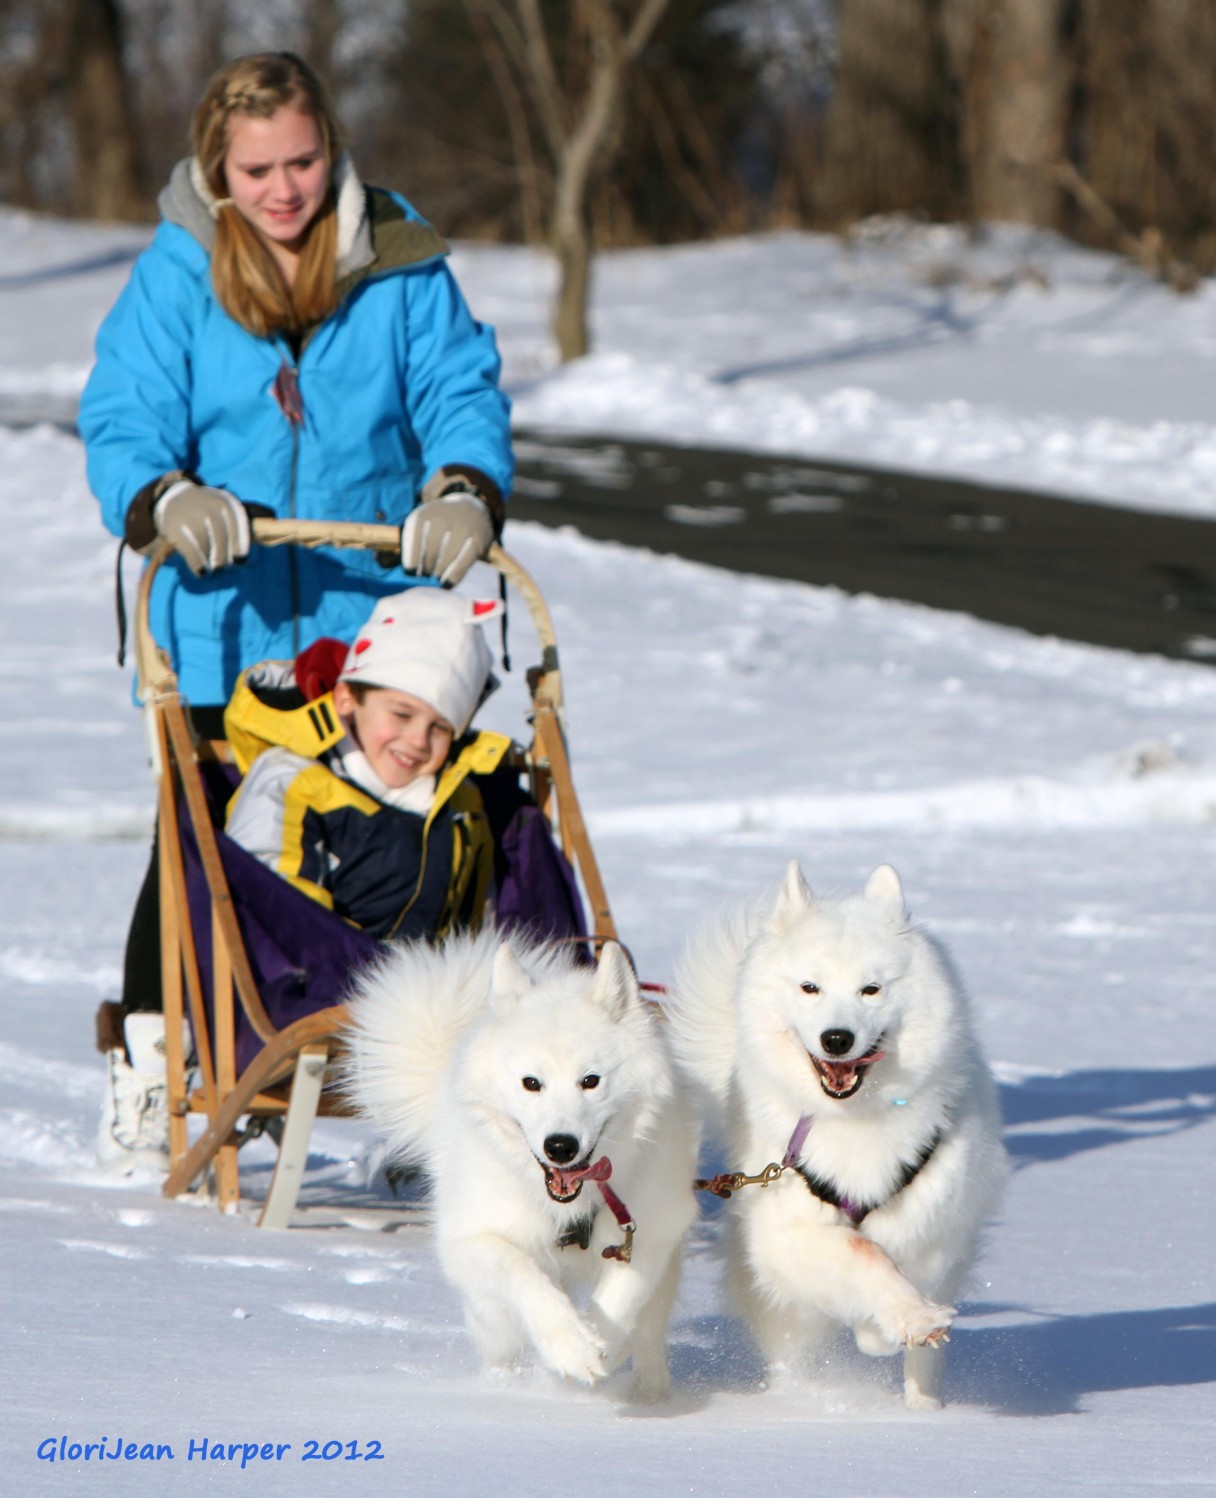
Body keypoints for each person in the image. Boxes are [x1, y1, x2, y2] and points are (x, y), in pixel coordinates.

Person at [85, 50, 514, 1172]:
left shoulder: (401, 257)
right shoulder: (179, 271)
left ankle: (407, 1063)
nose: (286, 190)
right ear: (216, 169)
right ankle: (150, 1060)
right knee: (200, 842)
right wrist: (164, 496)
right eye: (259, 169)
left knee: (389, 836)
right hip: (220, 621)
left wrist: (462, 485)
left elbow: (458, 389)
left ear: (335, 147)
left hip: (365, 623)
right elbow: (123, 412)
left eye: (306, 161)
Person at [223, 587, 510, 941]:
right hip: (314, 984)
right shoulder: (291, 781)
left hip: (431, 987)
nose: (419, 740)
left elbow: (477, 921)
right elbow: (275, 912)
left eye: (440, 727)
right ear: (346, 700)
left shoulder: (459, 805)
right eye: (402, 714)